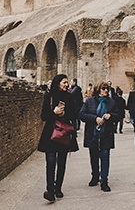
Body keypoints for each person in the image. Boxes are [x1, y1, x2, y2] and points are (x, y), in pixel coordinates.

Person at [37, 74, 79, 202]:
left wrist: (65, 113)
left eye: (67, 82)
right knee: (50, 161)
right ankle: (50, 190)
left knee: (62, 162)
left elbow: (74, 114)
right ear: (57, 83)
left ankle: (58, 188)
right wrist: (54, 113)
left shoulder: (69, 97)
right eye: (64, 82)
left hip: (64, 133)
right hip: (51, 133)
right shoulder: (49, 96)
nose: (67, 85)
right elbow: (43, 116)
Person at [79, 81, 119, 192]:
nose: (106, 90)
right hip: (93, 134)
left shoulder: (111, 102)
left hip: (106, 134)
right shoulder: (89, 101)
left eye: (107, 88)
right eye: (103, 88)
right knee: (94, 157)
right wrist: (95, 118)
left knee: (105, 156)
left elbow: (119, 115)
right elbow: (82, 114)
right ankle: (95, 176)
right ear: (98, 90)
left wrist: (110, 116)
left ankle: (104, 180)